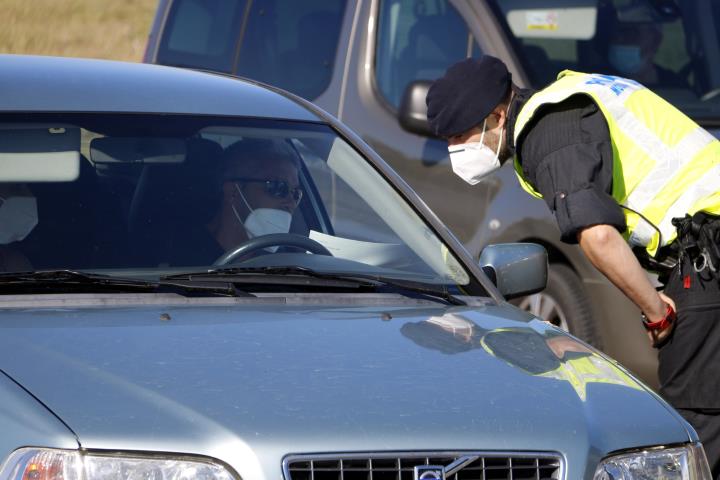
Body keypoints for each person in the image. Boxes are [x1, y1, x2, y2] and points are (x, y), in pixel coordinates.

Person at [425, 55, 720, 476]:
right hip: (705, 245)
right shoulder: (572, 95)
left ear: (496, 116)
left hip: (707, 257)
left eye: (461, 135)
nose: (457, 150)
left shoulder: (550, 130)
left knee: (696, 428)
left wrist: (656, 313)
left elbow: (597, 235)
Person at [172, 137, 303, 265]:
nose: (291, 203)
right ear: (233, 191)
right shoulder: (178, 258)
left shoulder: (289, 262)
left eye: (296, 193)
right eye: (277, 187)